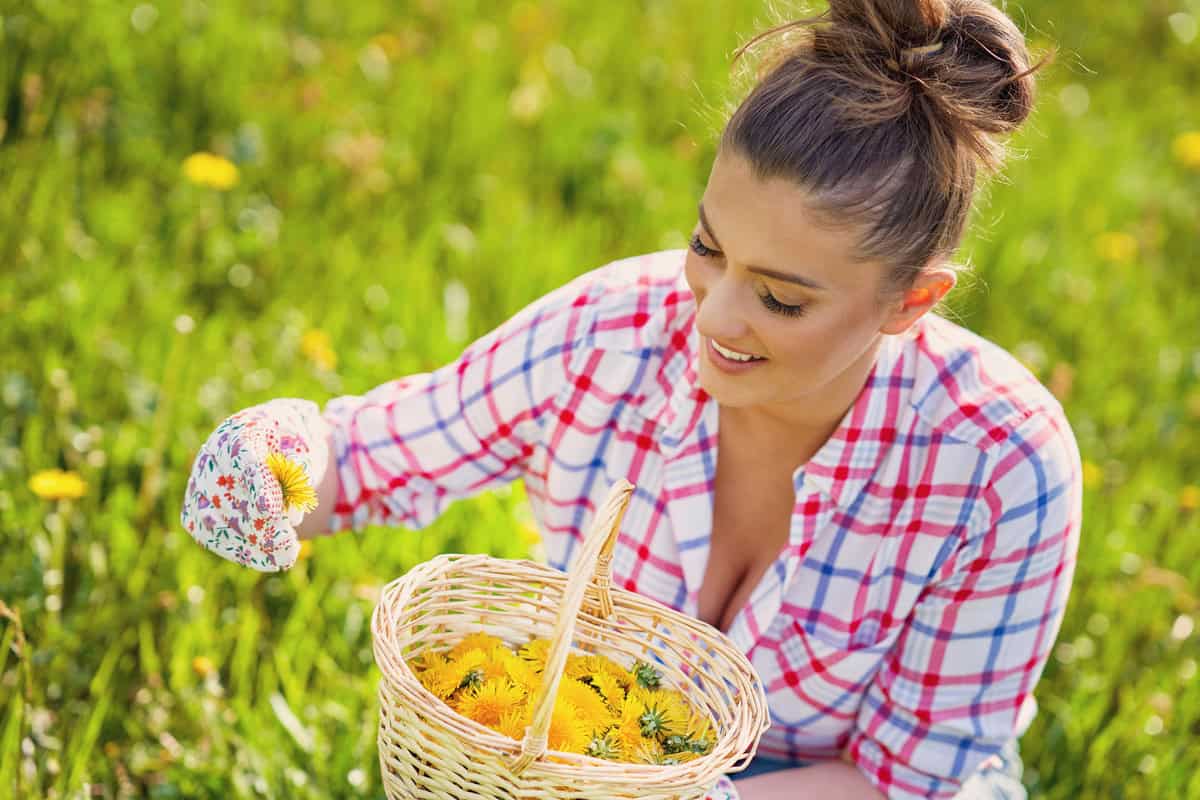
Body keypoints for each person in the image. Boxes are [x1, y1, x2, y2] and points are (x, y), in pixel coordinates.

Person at [181, 1, 1081, 797]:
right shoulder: (610, 335)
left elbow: (906, 780)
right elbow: (380, 455)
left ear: (910, 301)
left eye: (781, 298)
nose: (715, 315)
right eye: (707, 246)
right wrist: (278, 462)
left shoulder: (1000, 466)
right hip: (594, 767)